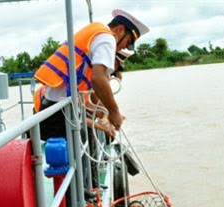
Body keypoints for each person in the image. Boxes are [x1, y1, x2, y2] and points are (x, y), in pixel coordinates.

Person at [33, 8, 149, 136]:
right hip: (59, 113)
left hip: (55, 108)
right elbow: (98, 78)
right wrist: (114, 112)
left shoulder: (97, 31)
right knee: (72, 151)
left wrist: (103, 113)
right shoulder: (108, 38)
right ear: (120, 30)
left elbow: (93, 88)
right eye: (130, 42)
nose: (126, 47)